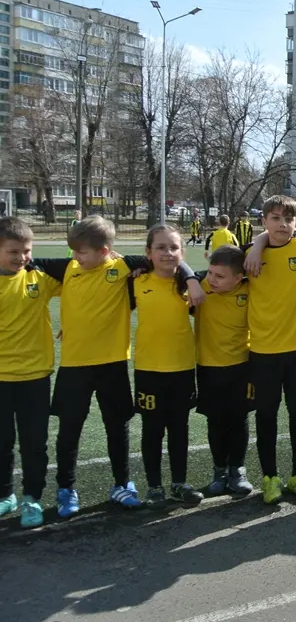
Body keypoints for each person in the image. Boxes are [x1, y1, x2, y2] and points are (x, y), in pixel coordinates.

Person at [37, 215, 203, 518]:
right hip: (74, 365)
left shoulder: (125, 268)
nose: (75, 257)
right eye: (74, 251)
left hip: (114, 364)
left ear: (104, 251)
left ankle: (122, 483)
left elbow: (167, 261)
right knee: (69, 430)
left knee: (118, 427)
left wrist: (191, 278)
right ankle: (66, 488)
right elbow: (26, 264)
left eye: (81, 252)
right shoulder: (66, 269)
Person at [241, 196, 296, 505]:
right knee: (266, 416)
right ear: (263, 221)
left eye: (288, 219)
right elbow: (212, 273)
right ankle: (270, 477)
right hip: (263, 352)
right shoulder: (247, 256)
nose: (282, 224)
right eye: (275, 218)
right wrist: (257, 246)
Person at [132, 225, 204, 507]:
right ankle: (154, 487)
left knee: (179, 429)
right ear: (148, 252)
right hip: (149, 369)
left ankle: (179, 483)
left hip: (182, 369)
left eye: (174, 248)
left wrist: (191, 278)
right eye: (160, 247)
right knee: (152, 430)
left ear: (182, 252)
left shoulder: (189, 284)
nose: (168, 253)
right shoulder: (136, 281)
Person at [0, 217, 62, 528]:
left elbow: (83, 280)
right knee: (2, 442)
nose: (22, 257)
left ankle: (32, 498)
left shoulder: (40, 277)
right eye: (13, 251)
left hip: (35, 376)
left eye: (26, 251)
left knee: (34, 444)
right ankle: (5, 494)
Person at [194, 245, 254, 496]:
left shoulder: (250, 289)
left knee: (239, 419)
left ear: (238, 278)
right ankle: (219, 469)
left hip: (242, 366)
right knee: (216, 421)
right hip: (208, 367)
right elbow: (177, 270)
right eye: (210, 273)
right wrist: (192, 279)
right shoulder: (199, 284)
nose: (212, 279)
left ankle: (237, 469)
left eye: (220, 276)